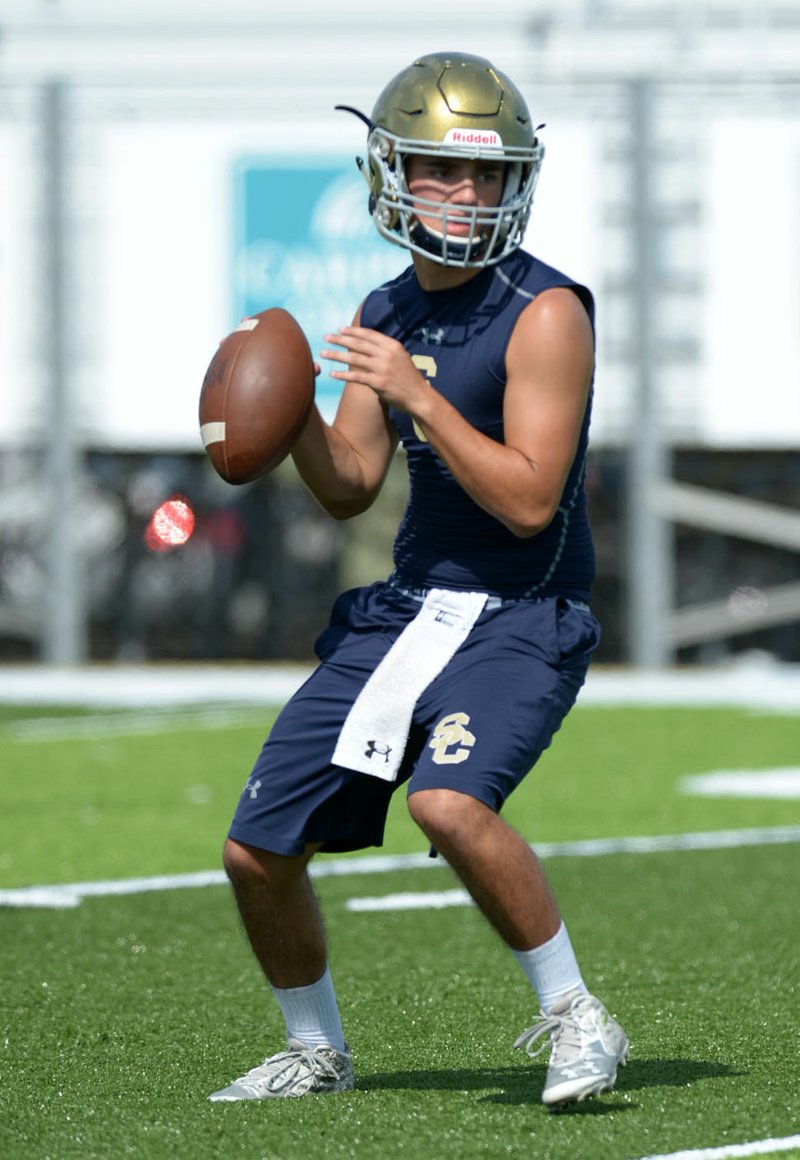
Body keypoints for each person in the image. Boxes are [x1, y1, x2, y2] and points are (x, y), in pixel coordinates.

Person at [209, 50, 628, 1107]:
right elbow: (350, 483)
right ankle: (316, 1047)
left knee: (446, 801)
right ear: (390, 172)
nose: (465, 194)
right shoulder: (386, 306)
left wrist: (422, 398)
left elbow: (532, 498)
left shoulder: (545, 311)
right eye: (441, 170)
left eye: (484, 175)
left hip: (522, 613)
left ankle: (578, 1014)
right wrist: (296, 412)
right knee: (255, 848)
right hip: (407, 610)